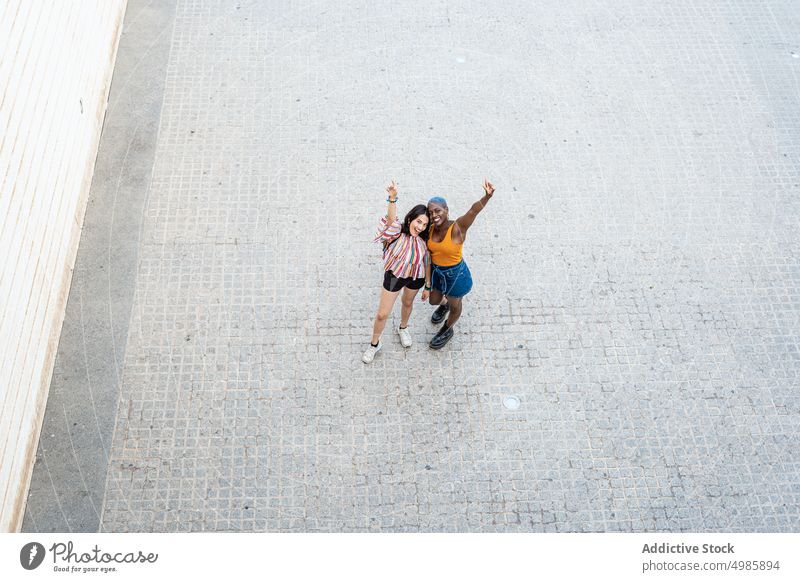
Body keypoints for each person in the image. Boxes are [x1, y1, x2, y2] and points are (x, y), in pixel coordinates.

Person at [363, 180, 431, 363]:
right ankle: (374, 344)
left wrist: (428, 285)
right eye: (418, 222)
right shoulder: (397, 230)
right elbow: (391, 219)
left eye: (424, 224)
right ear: (411, 218)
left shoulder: (425, 239)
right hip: (395, 275)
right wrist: (392, 199)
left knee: (407, 303)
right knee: (382, 314)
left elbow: (427, 260)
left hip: (416, 276)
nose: (420, 227)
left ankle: (403, 328)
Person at [425, 179, 495, 349]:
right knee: (434, 301)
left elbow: (473, 211)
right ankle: (445, 305)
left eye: (438, 211)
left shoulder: (458, 228)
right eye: (431, 212)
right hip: (437, 272)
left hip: (455, 275)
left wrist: (487, 196)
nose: (434, 215)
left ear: (446, 210)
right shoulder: (431, 228)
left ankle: (447, 329)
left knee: (456, 306)